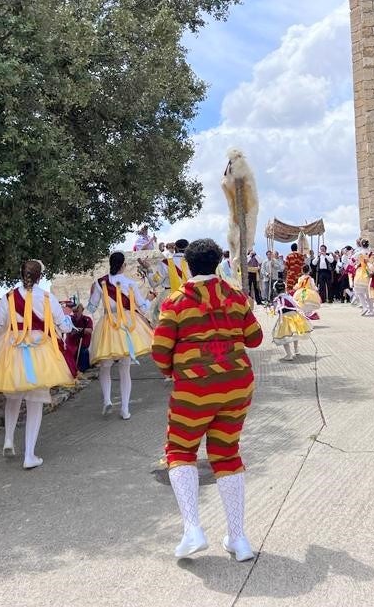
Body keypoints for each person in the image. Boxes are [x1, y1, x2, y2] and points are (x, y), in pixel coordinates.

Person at [152, 238, 264, 562]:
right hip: (237, 384)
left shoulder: (176, 301)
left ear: (187, 265)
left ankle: (192, 529)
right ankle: (238, 538)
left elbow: (160, 351)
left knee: (180, 450)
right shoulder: (235, 296)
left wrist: (171, 370)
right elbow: (255, 339)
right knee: (227, 452)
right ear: (217, 263)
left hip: (195, 388)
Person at [0, 260, 74, 469]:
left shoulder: (9, 297)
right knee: (35, 402)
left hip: (12, 350)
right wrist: (68, 321)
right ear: (40, 276)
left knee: (12, 397)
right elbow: (64, 327)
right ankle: (29, 455)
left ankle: (9, 439)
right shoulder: (48, 298)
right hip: (39, 351)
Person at [87, 252, 153, 420]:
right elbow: (143, 308)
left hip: (108, 325)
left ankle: (108, 400)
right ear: (123, 265)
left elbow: (92, 308)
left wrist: (92, 293)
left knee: (105, 366)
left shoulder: (100, 282)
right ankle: (124, 409)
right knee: (125, 369)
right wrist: (150, 298)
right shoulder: (131, 283)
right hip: (128, 325)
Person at [147, 238, 190, 322]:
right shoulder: (193, 263)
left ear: (175, 248)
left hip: (169, 297)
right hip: (188, 297)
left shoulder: (165, 263)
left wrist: (149, 270)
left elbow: (154, 282)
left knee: (158, 319)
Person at [271, 280, 313, 360]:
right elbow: (296, 305)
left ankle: (289, 354)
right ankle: (296, 350)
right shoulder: (289, 297)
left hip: (285, 318)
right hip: (295, 316)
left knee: (284, 336)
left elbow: (276, 310)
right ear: (285, 288)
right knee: (295, 334)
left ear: (276, 290)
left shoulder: (278, 299)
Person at [65, 303, 94, 375]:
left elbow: (89, 330)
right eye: (74, 311)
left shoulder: (87, 319)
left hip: (82, 344)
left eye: (77, 311)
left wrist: (79, 330)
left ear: (82, 311)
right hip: (72, 344)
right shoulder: (70, 318)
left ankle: (83, 370)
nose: (76, 313)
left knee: (83, 353)